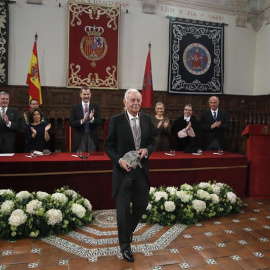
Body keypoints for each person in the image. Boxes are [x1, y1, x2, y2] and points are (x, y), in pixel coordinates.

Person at [105, 89, 154, 262]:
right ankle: (125, 246)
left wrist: (147, 149)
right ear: (124, 102)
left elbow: (152, 142)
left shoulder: (147, 119)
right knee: (124, 211)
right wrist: (119, 160)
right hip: (123, 172)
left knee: (142, 204)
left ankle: (127, 232)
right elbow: (108, 146)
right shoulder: (116, 120)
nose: (136, 103)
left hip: (141, 170)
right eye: (133, 100)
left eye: (138, 100)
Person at [69, 86, 102, 152]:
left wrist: (92, 119)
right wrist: (82, 121)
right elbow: (71, 123)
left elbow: (100, 121)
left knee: (92, 159)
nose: (86, 96)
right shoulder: (75, 108)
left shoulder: (95, 106)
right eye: (84, 94)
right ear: (80, 95)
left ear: (90, 94)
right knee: (80, 158)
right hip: (80, 137)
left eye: (88, 94)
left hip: (92, 136)